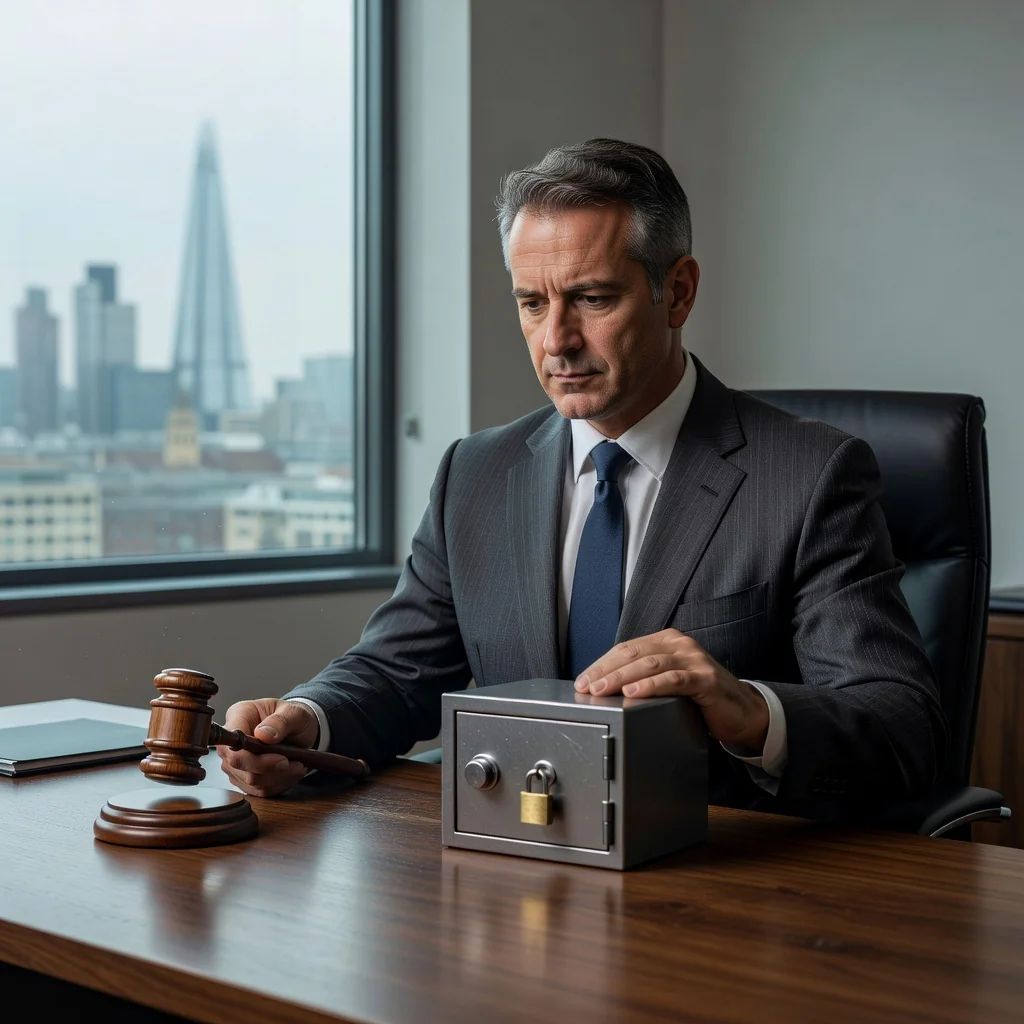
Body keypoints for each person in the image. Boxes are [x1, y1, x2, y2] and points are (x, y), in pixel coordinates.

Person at [219, 138, 946, 821]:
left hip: (722, 881)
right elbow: (396, 672)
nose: (556, 341)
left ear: (679, 293)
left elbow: (903, 728)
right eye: (532, 304)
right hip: (513, 866)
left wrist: (750, 709)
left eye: (593, 299)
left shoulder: (809, 475)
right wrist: (302, 724)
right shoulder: (475, 472)